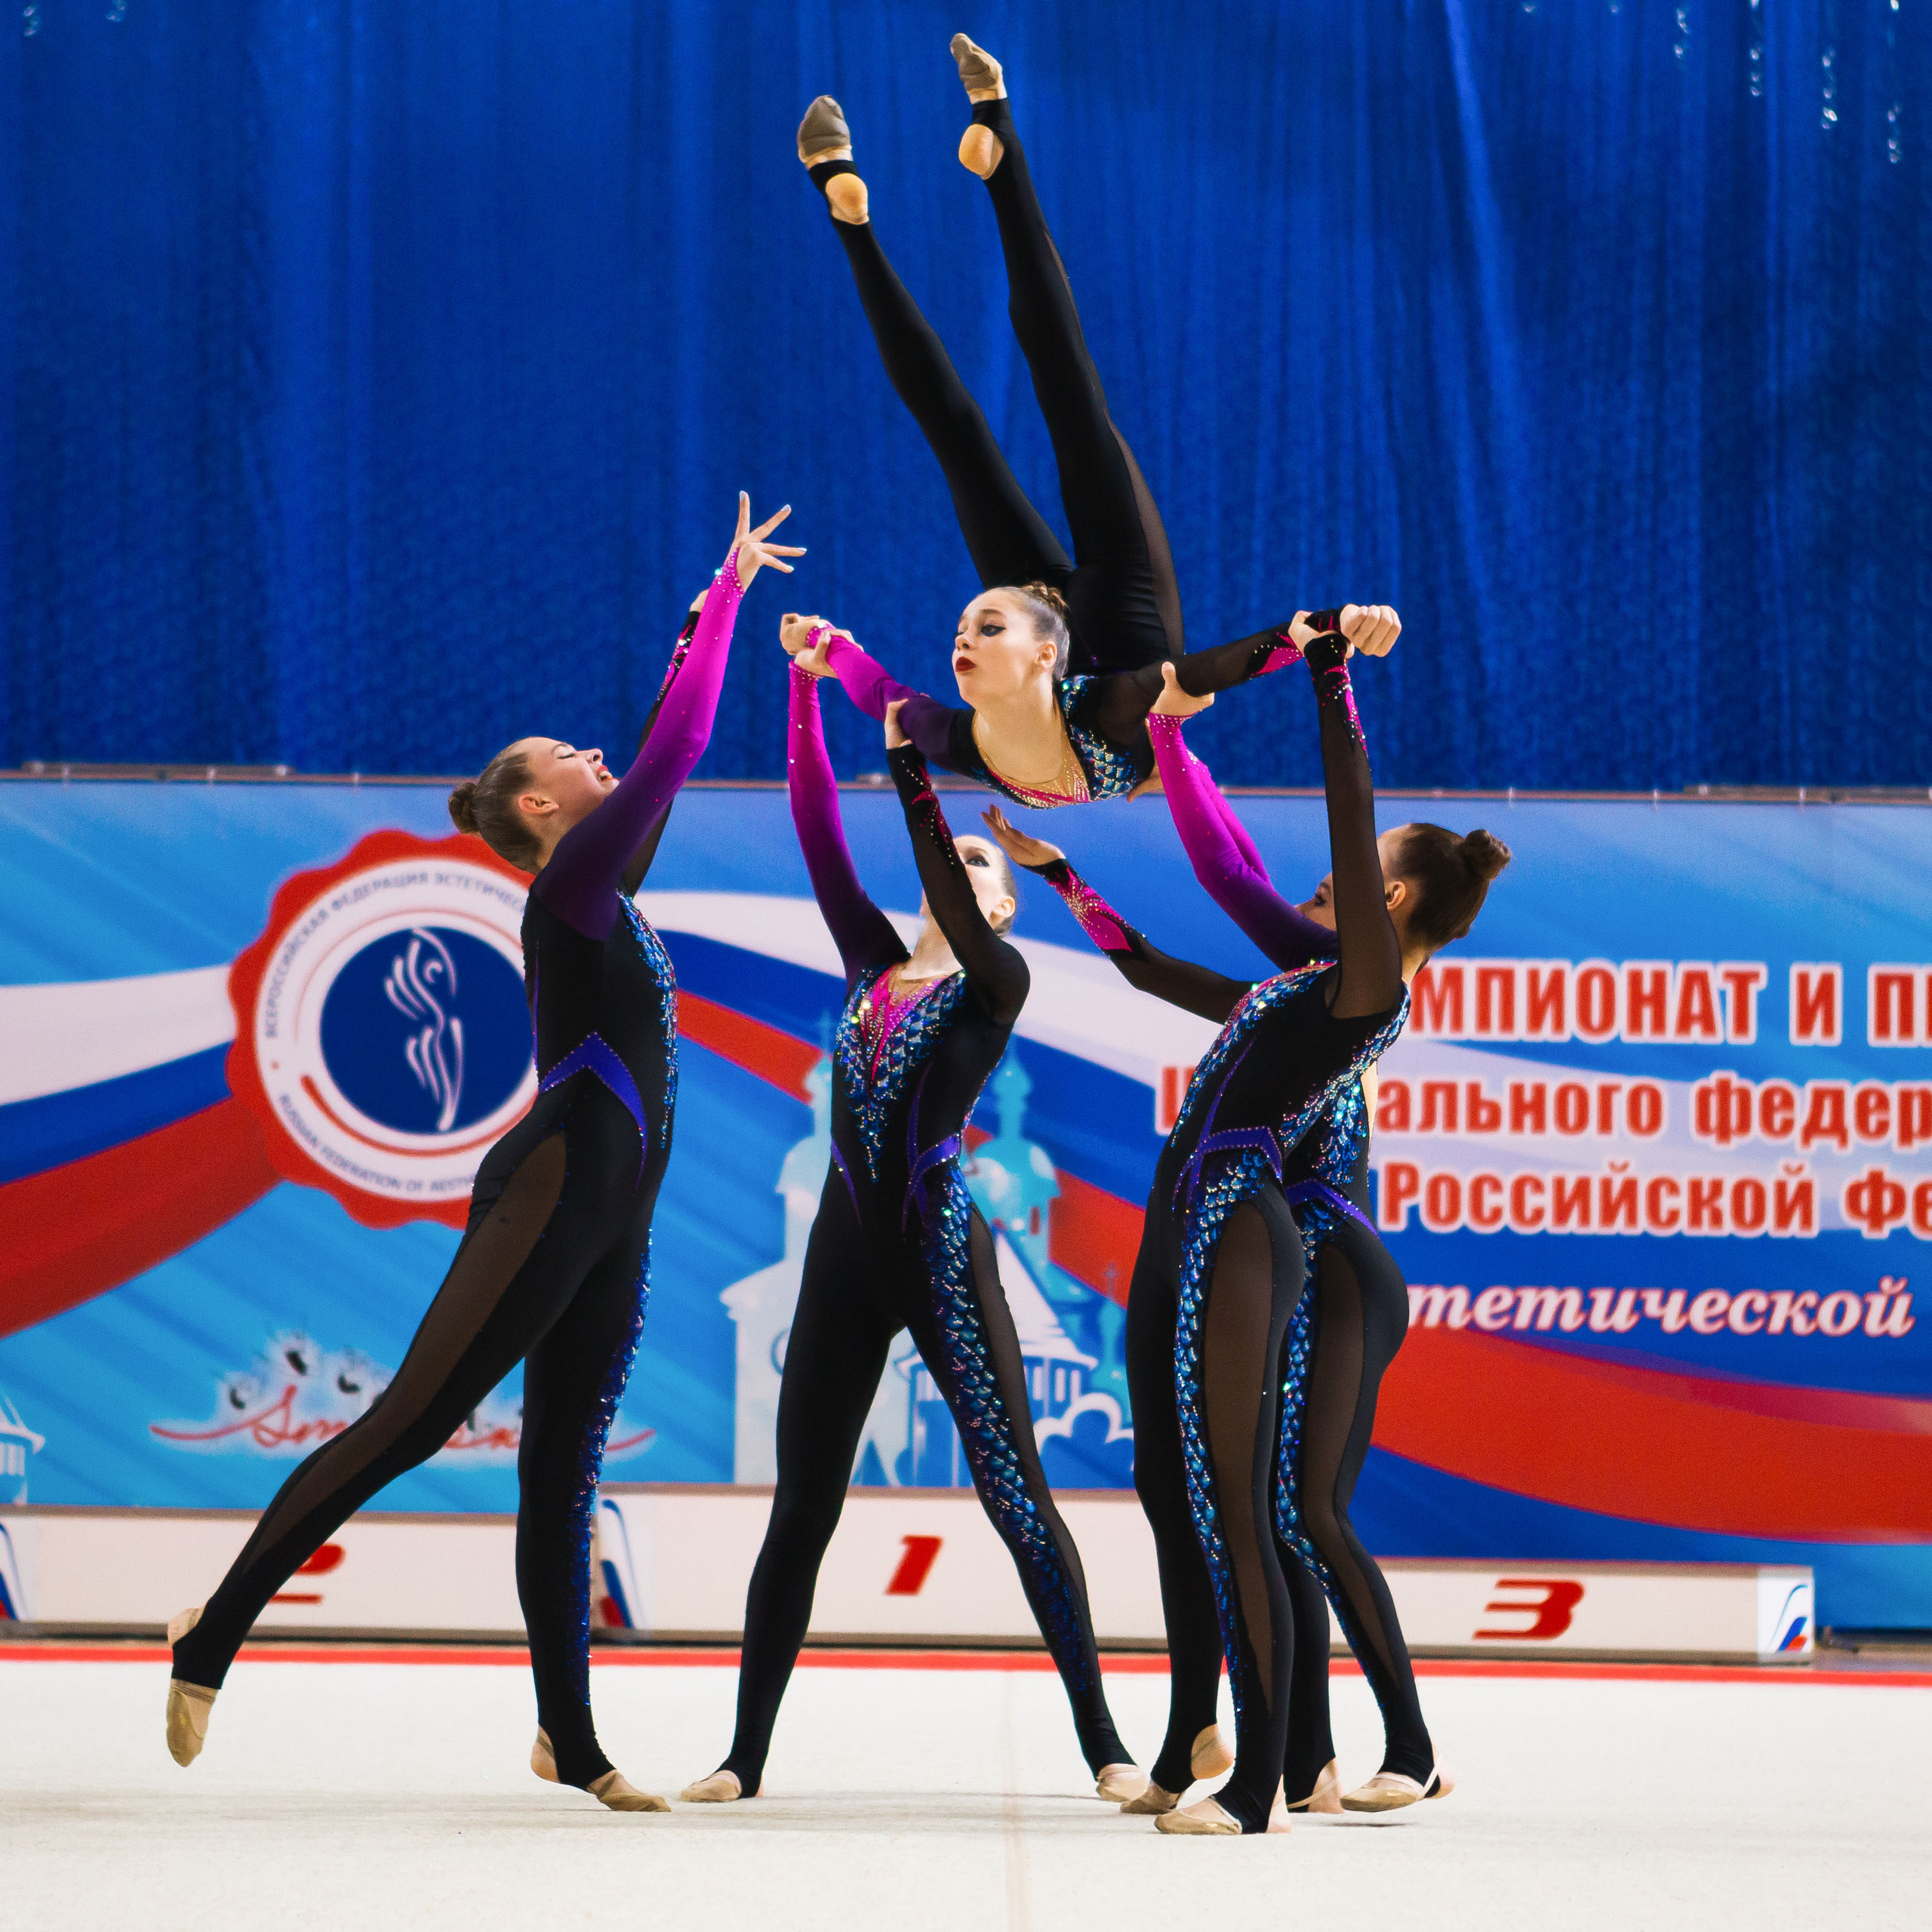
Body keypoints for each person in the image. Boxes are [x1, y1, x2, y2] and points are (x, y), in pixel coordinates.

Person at [164, 496, 802, 1810]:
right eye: (575, 755)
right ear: (536, 804)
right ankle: (213, 1629)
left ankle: (566, 1736)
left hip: (620, 1202)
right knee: (416, 1417)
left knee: (563, 1458)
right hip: (561, 1173)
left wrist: (700, 611)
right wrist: (727, 595)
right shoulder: (569, 890)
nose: (598, 756)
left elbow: (656, 743)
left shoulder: (602, 886)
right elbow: (674, 748)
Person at [992, 663, 1509, 1819]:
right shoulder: (1308, 983)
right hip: (1224, 1220)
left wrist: (1330, 681)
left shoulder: (1369, 988)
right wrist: (1119, 807)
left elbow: (1347, 814)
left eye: (1362, 877)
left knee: (1283, 1507)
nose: (1328, 878)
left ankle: (1313, 1764)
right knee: (1231, 1499)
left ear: (1402, 905)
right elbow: (1216, 884)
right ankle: (1281, 1758)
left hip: (1292, 1241)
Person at [678, 631, 1145, 1805]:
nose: (967, 880)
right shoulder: (869, 972)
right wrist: (799, 693)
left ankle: (1104, 1746)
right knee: (803, 1510)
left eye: (988, 877)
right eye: (962, 870)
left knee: (1014, 1495)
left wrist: (919, 779)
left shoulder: (999, 986)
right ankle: (744, 1758)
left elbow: (948, 880)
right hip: (846, 1257)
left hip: (940, 1250)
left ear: (1003, 911)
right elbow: (821, 839)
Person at [789, 35, 1398, 805]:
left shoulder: (990, 737)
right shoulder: (1028, 733)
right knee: (997, 424)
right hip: (1122, 624)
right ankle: (920, 179)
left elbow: (879, 690)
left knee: (1025, 411)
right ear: (1045, 657)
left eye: (969, 632)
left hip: (1078, 623)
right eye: (976, 634)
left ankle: (931, 173)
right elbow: (1198, 671)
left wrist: (825, 645)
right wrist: (1324, 626)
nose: (960, 643)